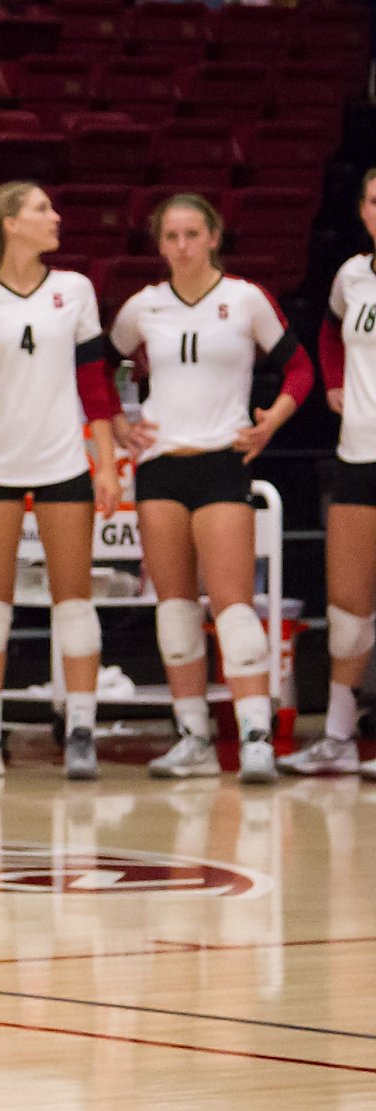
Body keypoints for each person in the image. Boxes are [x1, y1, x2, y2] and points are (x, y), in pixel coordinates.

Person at [108, 192, 311, 784]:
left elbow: (299, 366)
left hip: (223, 462)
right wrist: (119, 422)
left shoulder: (245, 299)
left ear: (214, 236)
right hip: (161, 467)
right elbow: (97, 364)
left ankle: (253, 737)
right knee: (173, 608)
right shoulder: (143, 307)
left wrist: (271, 420)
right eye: (170, 237)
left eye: (192, 234)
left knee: (234, 606)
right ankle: (193, 736)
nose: (181, 247)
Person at [0, 182, 122, 782]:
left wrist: (108, 461)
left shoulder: (75, 290)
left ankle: (82, 731)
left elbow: (95, 384)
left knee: (74, 599)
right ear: (10, 223)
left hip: (63, 463)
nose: (56, 216)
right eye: (43, 209)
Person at [290, 169, 376, 778]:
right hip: (357, 453)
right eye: (375, 200)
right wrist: (337, 382)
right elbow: (327, 330)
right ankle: (340, 736)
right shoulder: (352, 274)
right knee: (347, 607)